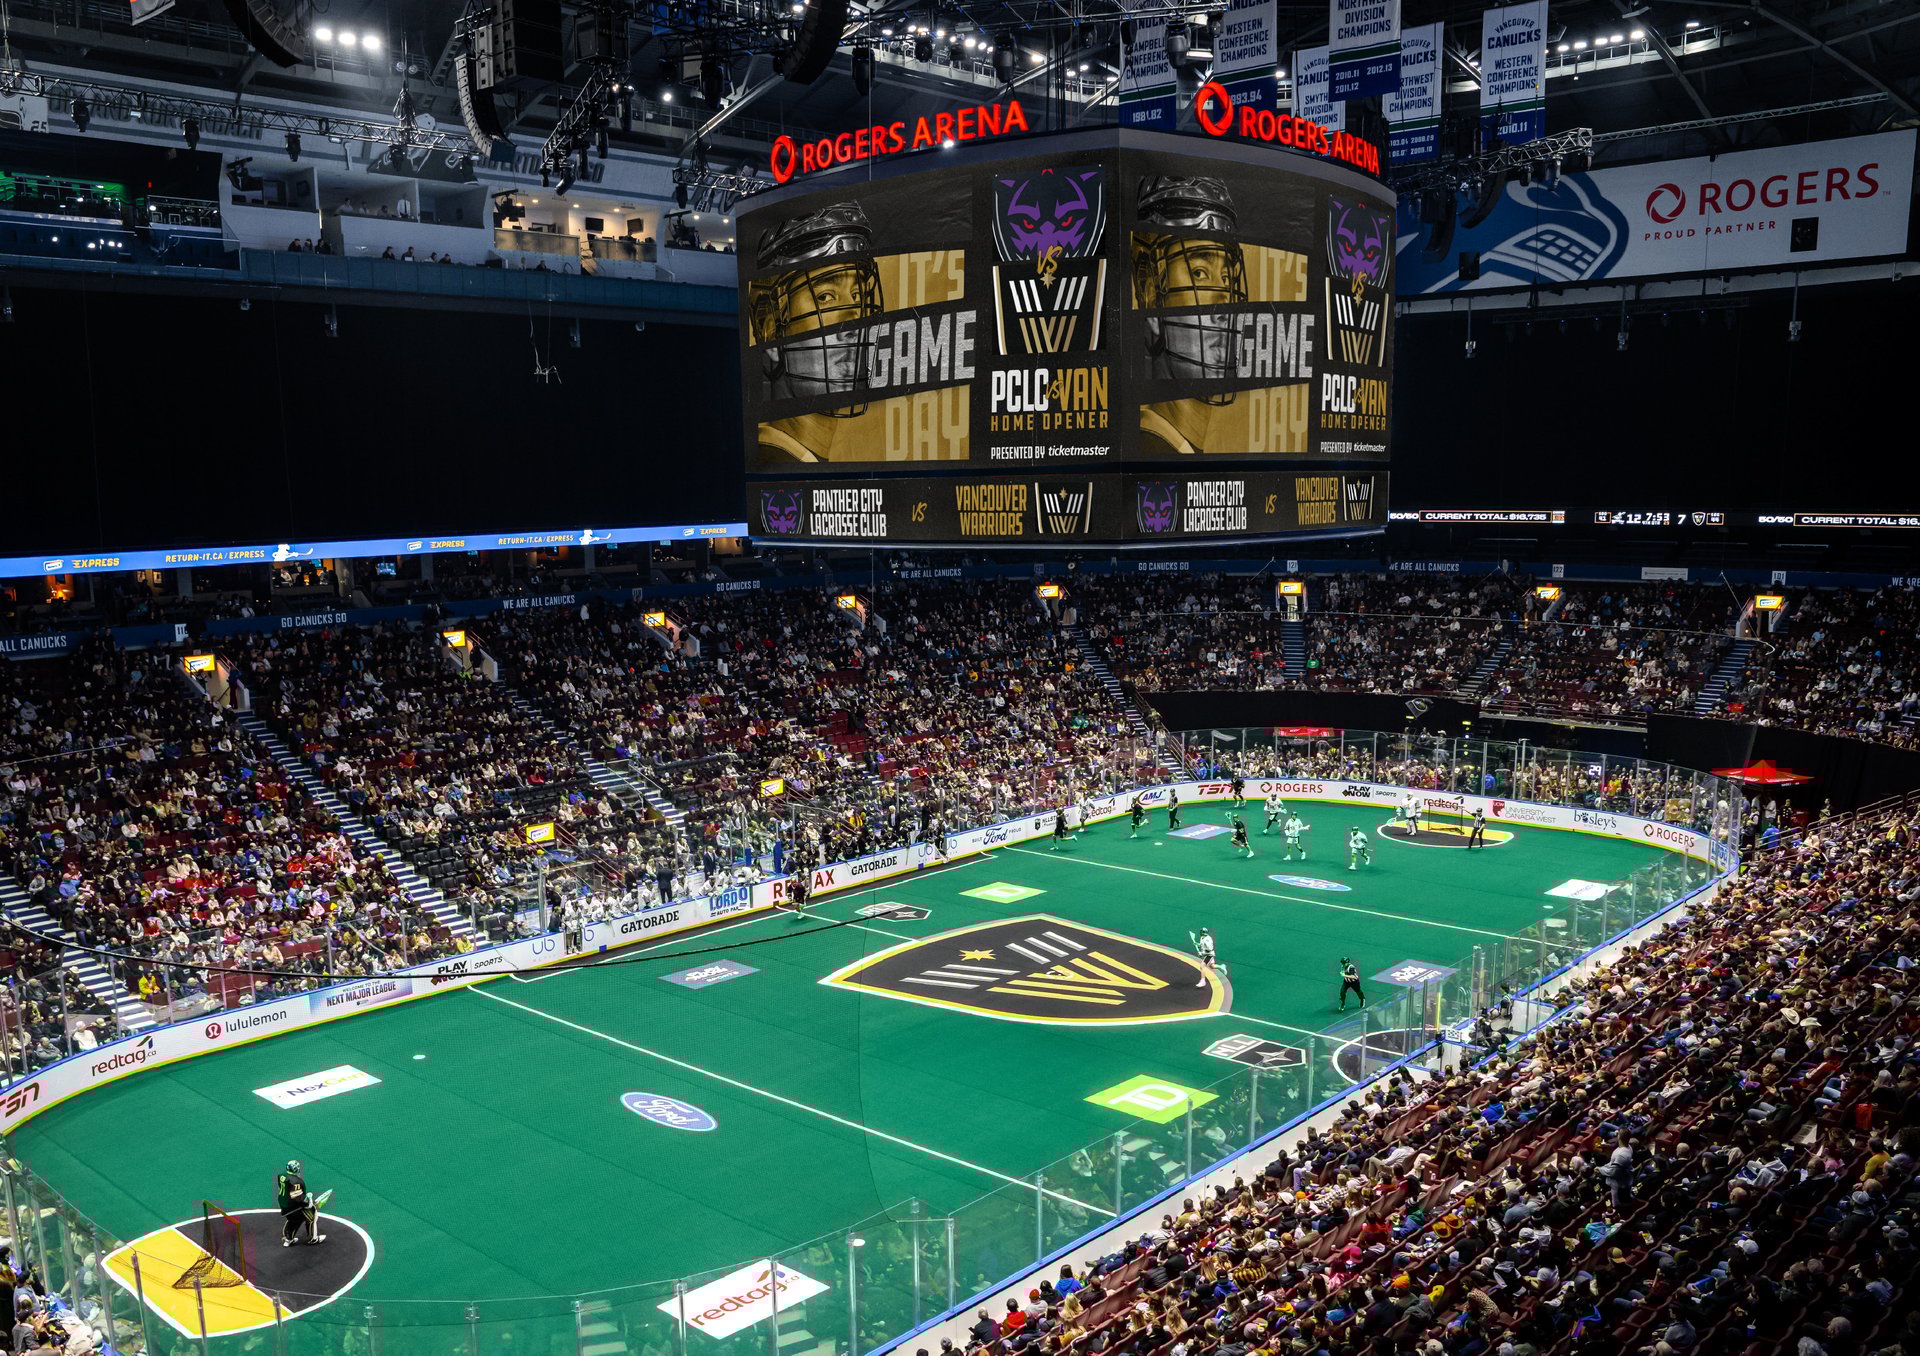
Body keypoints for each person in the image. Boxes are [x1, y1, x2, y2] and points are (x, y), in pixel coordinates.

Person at [276, 1159, 326, 1246]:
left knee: (293, 1220)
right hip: (293, 1206)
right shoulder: (297, 1182)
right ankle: (313, 1238)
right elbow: (299, 1199)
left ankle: (288, 1239)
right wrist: (309, 1202)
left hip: (283, 1205)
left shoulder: (281, 1176)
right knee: (312, 1216)